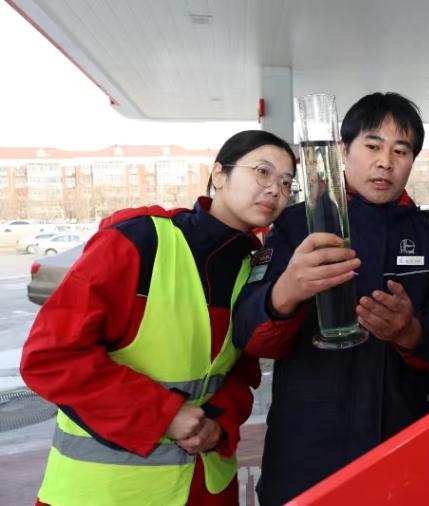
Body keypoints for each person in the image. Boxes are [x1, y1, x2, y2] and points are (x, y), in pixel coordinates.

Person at [20, 130, 303, 506]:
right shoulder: (137, 242)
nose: (275, 190)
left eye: (286, 183)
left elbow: (240, 372)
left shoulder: (254, 266)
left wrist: (218, 423)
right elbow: (50, 358)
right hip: (108, 492)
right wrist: (164, 415)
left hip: (207, 489)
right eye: (263, 172)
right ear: (219, 174)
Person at [233, 92, 429, 505]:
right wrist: (285, 293)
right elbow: (247, 334)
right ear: (342, 150)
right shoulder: (296, 226)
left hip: (403, 453)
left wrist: (412, 333)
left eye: (401, 151)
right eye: (373, 146)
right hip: (308, 456)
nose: (386, 162)